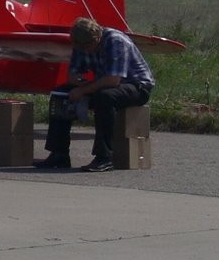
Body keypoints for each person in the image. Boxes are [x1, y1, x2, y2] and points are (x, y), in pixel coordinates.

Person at [38, 16, 155, 172]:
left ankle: (105, 157)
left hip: (136, 86)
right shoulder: (81, 45)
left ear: (97, 37)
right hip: (105, 84)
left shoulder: (115, 41)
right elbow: (72, 75)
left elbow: (113, 80)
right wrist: (78, 84)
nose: (86, 50)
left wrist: (83, 90)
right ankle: (59, 154)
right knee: (61, 94)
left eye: (89, 46)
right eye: (81, 47)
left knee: (105, 98)